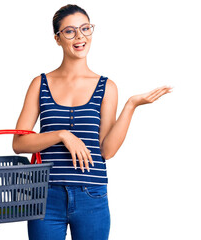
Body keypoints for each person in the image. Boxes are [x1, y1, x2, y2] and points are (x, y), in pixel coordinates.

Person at [12, 4, 173, 240]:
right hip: (45, 195)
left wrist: (131, 105)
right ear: (57, 38)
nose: (80, 36)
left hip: (92, 197)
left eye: (85, 28)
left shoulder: (106, 87)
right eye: (70, 31)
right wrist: (62, 135)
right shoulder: (40, 83)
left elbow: (106, 151)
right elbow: (19, 143)